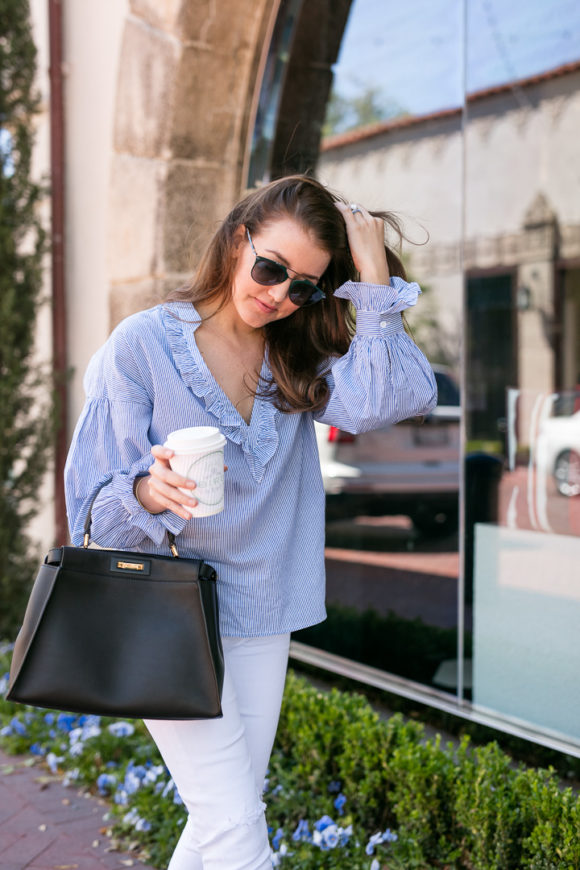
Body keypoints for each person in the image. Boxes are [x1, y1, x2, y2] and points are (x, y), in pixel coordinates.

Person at [64, 174, 437, 869]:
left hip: (262, 613)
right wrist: (148, 490)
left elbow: (399, 394)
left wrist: (374, 273)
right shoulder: (141, 346)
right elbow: (90, 509)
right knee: (237, 831)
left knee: (218, 823)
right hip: (164, 617)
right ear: (239, 240)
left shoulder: (296, 353)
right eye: (271, 268)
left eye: (303, 287)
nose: (279, 294)